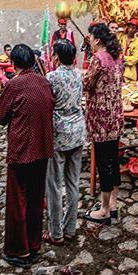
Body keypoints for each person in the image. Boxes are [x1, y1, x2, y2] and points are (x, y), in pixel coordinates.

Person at [0, 44, 55, 268]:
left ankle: (19, 250)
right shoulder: (45, 82)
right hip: (42, 148)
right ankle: (34, 244)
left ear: (15, 64)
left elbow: (0, 117)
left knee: (18, 200)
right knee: (36, 198)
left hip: (21, 149)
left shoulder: (14, 85)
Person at [44, 39, 85, 245]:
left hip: (58, 134)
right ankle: (70, 229)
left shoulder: (51, 77)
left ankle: (56, 233)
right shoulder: (79, 75)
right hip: (77, 131)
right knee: (72, 183)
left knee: (53, 185)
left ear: (57, 57)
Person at [82, 22, 125, 224]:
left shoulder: (98, 58)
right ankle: (113, 205)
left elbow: (87, 83)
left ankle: (104, 210)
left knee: (103, 163)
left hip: (101, 119)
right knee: (113, 161)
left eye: (91, 37)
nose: (89, 40)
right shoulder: (116, 57)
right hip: (115, 116)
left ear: (97, 40)